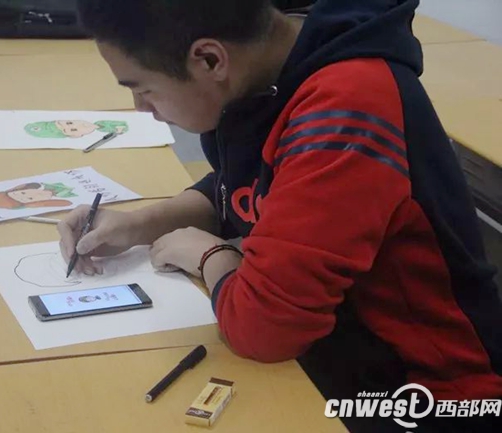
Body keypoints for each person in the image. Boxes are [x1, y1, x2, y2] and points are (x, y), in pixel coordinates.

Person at [58, 1, 502, 431]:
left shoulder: (346, 110)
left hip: (432, 393)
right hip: (343, 346)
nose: (141, 107)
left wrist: (211, 256)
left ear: (210, 60)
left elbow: (265, 328)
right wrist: (140, 223)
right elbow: (254, 187)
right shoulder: (274, 57)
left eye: (143, 88)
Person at [0, 182, 76, 209]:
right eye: (30, 198)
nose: (31, 195)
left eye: (23, 193)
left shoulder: (38, 186)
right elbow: (67, 203)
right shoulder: (51, 197)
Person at [24, 119, 129, 139]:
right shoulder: (104, 130)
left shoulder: (101, 122)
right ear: (77, 136)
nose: (79, 126)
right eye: (73, 130)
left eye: (69, 123)